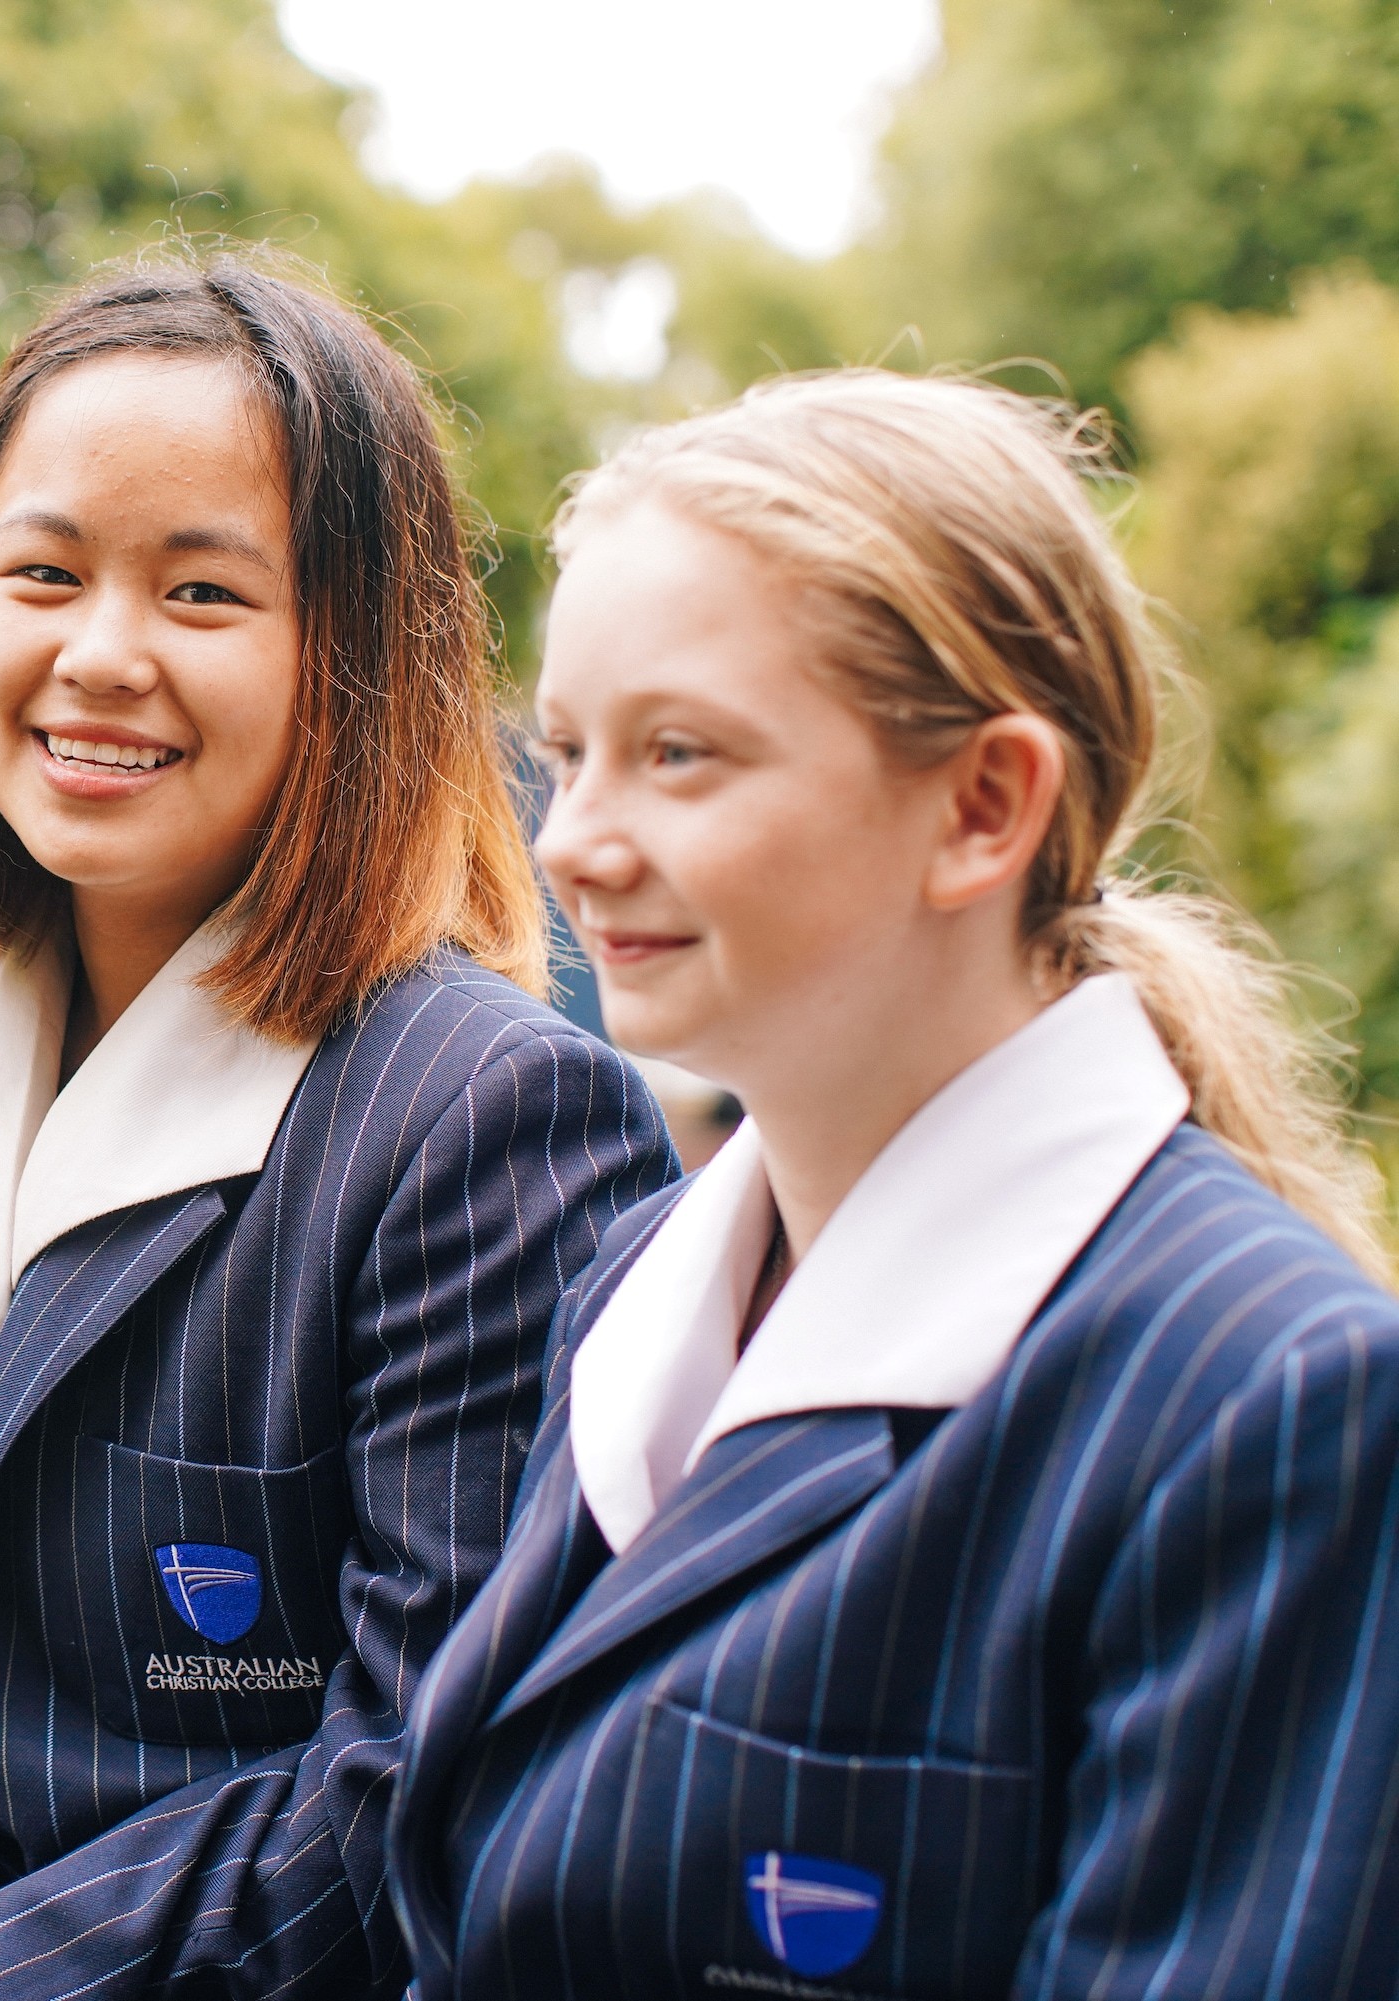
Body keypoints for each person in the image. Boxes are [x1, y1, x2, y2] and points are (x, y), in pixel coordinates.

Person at [0, 257, 675, 2001]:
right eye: (41, 573)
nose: (99, 656)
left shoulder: (488, 1117)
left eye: (205, 593)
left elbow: (405, 1771)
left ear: (354, 657)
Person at [387, 372, 1399, 1997]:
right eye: (569, 752)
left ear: (984, 805)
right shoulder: (630, 1283)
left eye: (681, 754)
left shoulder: (1274, 1396)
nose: (575, 838)